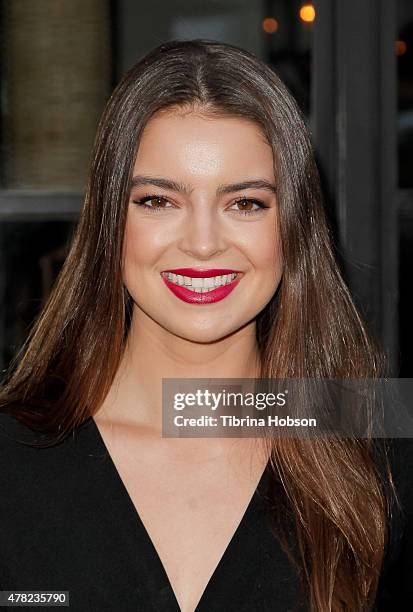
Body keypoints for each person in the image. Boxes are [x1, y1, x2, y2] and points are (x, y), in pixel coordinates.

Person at [0, 39, 411, 612]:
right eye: (157, 201)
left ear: (294, 228)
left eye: (245, 204)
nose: (201, 244)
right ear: (108, 224)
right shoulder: (14, 458)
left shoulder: (377, 448)